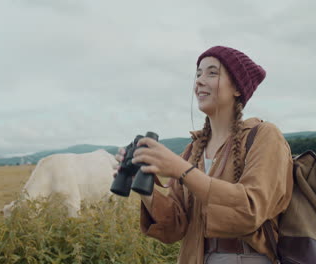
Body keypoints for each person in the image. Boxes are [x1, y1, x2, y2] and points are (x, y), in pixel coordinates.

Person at [114, 46, 293, 264]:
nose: (199, 81)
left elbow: (251, 208)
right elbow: (174, 228)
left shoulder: (264, 136)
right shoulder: (193, 150)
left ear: (237, 87)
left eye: (212, 72)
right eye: (198, 74)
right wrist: (144, 186)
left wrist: (182, 170)